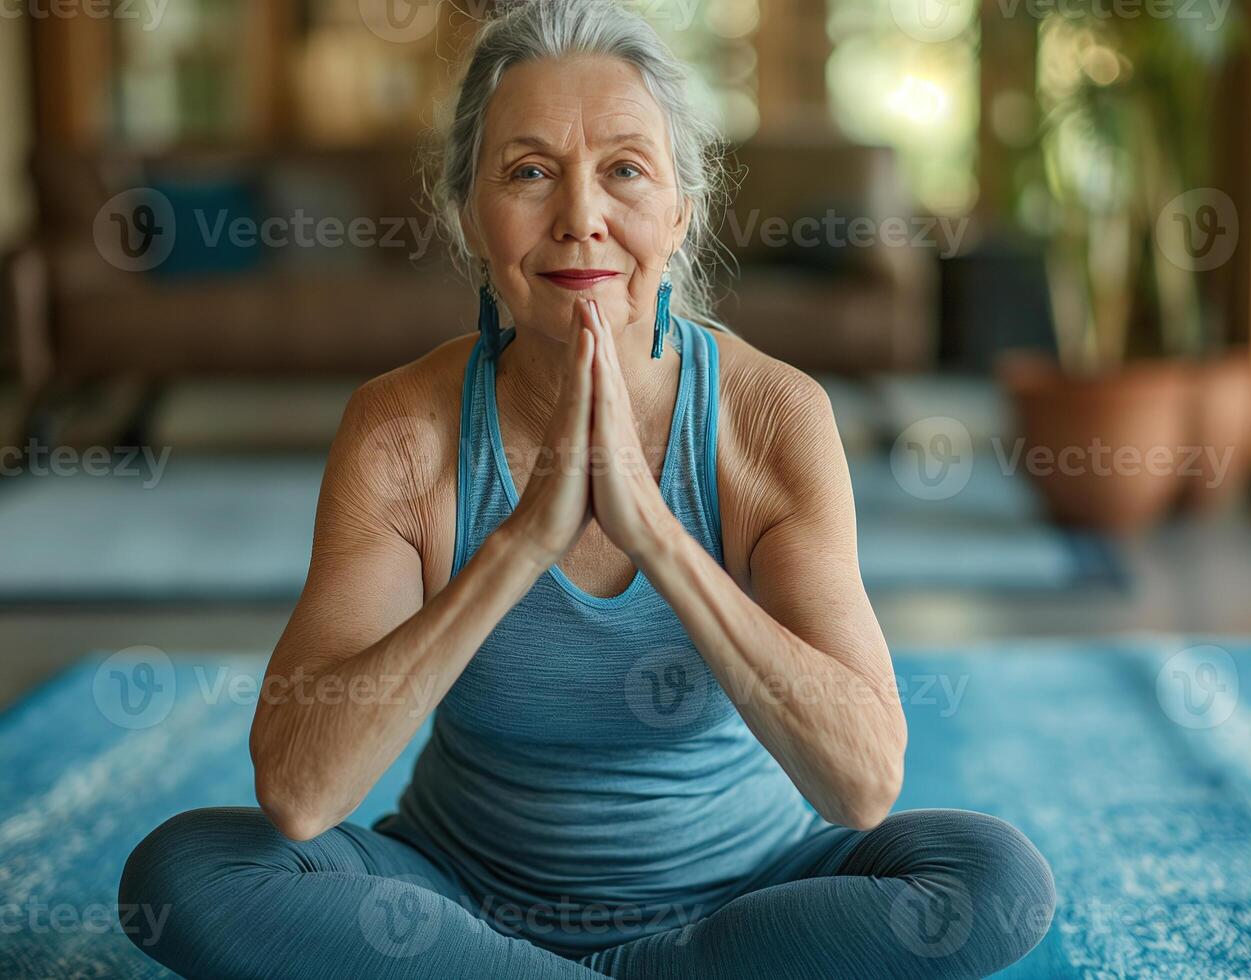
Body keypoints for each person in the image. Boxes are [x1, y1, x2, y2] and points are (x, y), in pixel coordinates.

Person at [118, 2, 1054, 976]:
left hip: (748, 892)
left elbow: (862, 785)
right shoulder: (401, 431)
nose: (580, 217)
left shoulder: (772, 416)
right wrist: (521, 544)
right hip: (459, 893)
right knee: (189, 870)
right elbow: (303, 794)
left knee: (991, 876)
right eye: (528, 171)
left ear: (680, 209)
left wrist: (658, 537)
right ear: (471, 215)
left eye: (624, 170)